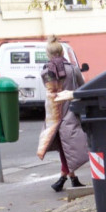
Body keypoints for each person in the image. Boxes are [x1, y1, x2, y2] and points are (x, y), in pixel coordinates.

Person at [36, 36, 89, 192]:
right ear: (62, 52)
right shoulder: (73, 69)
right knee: (71, 147)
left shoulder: (46, 71)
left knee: (64, 147)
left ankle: (66, 178)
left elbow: (50, 92)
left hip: (54, 113)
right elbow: (82, 89)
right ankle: (68, 178)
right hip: (71, 111)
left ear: (48, 54)